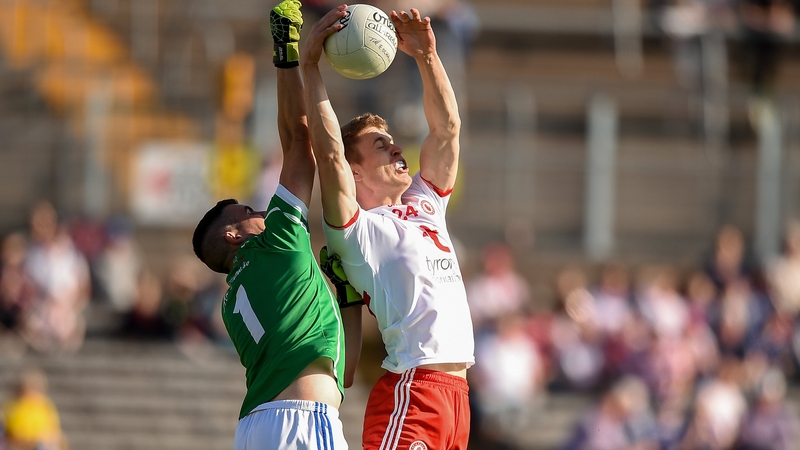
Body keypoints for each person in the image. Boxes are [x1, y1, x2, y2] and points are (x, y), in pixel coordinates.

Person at [302, 5, 474, 449]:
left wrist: (427, 55)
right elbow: (329, 156)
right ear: (355, 172)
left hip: (458, 398)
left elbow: (447, 129)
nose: (397, 147)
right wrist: (308, 66)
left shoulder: (425, 203)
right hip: (414, 392)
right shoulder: (358, 231)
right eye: (381, 145)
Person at [190, 1, 352, 448]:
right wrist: (289, 52)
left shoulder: (233, 301)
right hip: (302, 422)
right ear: (233, 235)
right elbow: (300, 141)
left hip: (256, 428)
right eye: (245, 212)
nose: (257, 210)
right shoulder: (275, 242)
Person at [2, 367, 65, 450]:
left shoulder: (45, 405)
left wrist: (46, 439)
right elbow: (7, 434)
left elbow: (56, 433)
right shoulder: (11, 406)